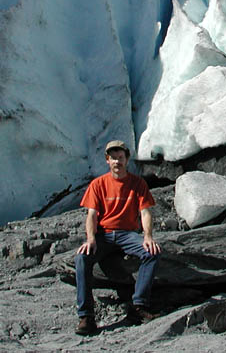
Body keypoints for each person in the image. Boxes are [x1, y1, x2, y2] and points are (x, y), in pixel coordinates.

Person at [74, 140, 162, 335]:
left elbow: (145, 212)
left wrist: (148, 236)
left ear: (127, 159)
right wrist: (91, 239)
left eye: (120, 158)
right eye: (113, 158)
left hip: (127, 234)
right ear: (107, 160)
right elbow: (91, 215)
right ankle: (86, 317)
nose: (117, 161)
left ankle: (138, 306)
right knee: (81, 259)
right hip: (103, 235)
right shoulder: (98, 185)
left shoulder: (138, 184)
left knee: (152, 253)